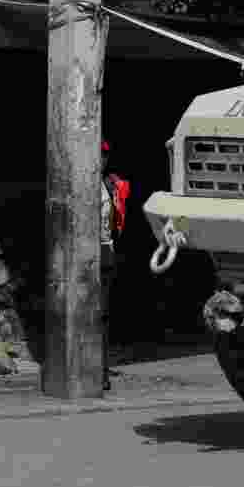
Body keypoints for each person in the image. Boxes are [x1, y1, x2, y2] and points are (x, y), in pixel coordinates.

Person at [101, 140, 131, 391]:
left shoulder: (111, 184)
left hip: (105, 249)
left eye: (104, 155)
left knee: (103, 313)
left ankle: (100, 369)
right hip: (85, 250)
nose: (100, 159)